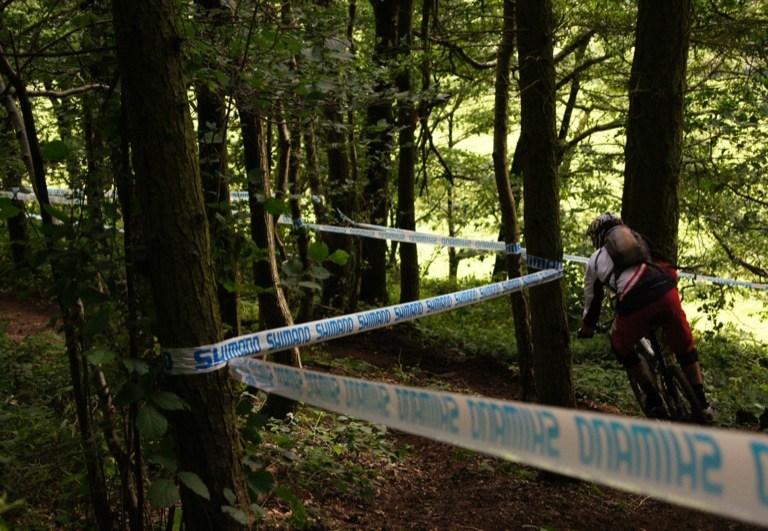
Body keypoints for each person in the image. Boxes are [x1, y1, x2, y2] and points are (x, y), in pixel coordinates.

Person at [577, 212, 715, 423]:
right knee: (684, 346)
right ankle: (703, 403)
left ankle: (652, 396)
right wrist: (668, 292)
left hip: (635, 302)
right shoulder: (638, 239)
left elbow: (593, 302)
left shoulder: (595, 260)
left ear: (597, 237)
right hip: (666, 291)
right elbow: (666, 265)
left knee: (618, 342)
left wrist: (587, 329)